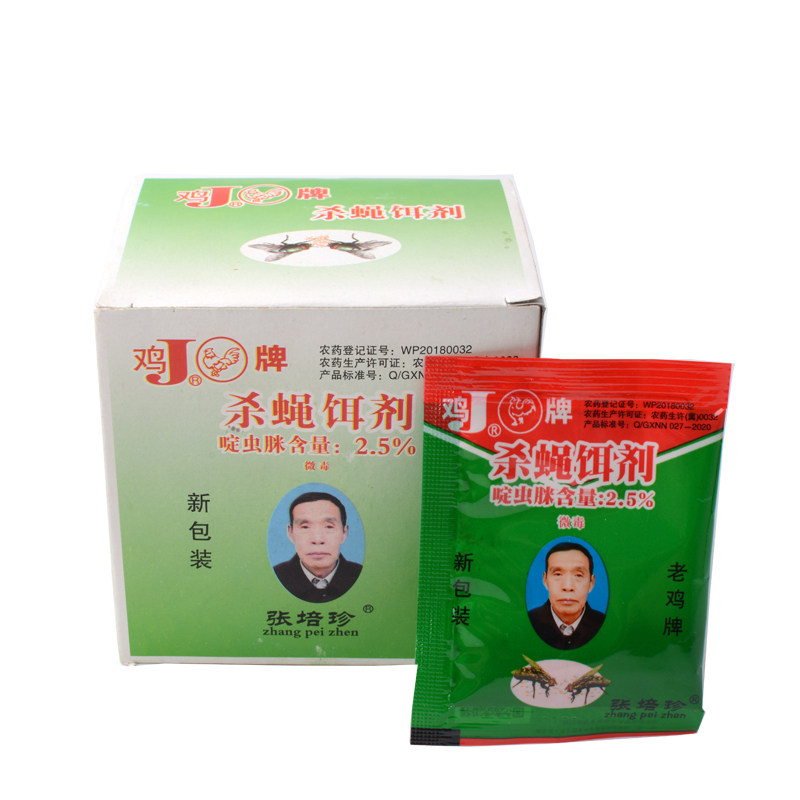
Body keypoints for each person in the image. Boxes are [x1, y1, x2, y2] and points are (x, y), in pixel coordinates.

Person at [273, 491, 362, 603]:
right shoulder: (274, 578)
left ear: (344, 533)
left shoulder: (363, 577)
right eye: (305, 527)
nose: (317, 539)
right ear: (290, 533)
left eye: (329, 527)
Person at [528, 542, 605, 650]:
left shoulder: (604, 624)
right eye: (558, 574)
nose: (568, 587)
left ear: (591, 583)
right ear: (545, 580)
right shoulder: (530, 621)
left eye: (578, 575)